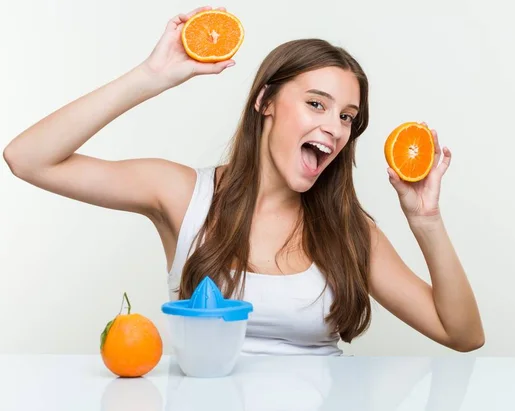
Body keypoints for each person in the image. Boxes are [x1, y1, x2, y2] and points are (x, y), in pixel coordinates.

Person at [3, 6, 484, 356]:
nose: (335, 128)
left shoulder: (350, 230)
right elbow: (28, 159)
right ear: (265, 102)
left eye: (348, 116)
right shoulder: (182, 195)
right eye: (316, 104)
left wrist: (427, 219)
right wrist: (152, 76)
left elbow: (462, 335)